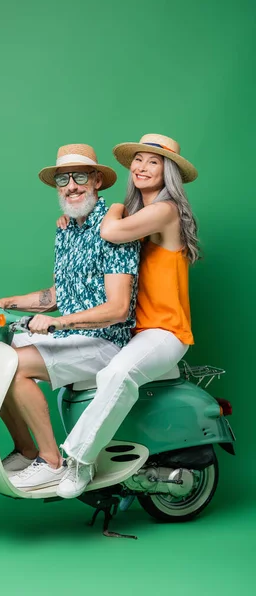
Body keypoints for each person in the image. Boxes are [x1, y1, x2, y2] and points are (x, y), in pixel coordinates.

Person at [55, 133, 199, 498]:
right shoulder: (140, 214)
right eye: (138, 159)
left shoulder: (165, 211)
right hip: (134, 331)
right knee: (73, 376)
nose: (142, 166)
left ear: (169, 173)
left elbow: (109, 229)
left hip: (165, 331)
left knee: (117, 373)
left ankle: (79, 461)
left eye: (154, 162)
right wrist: (72, 221)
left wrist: (110, 209)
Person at [0, 144, 140, 491]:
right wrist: (4, 303)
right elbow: (61, 294)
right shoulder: (67, 229)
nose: (71, 185)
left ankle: (50, 460)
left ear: (97, 180)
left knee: (17, 366)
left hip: (106, 341)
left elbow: (118, 308)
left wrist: (60, 322)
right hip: (72, 335)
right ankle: (26, 451)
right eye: (63, 178)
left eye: (80, 176)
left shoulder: (113, 228)